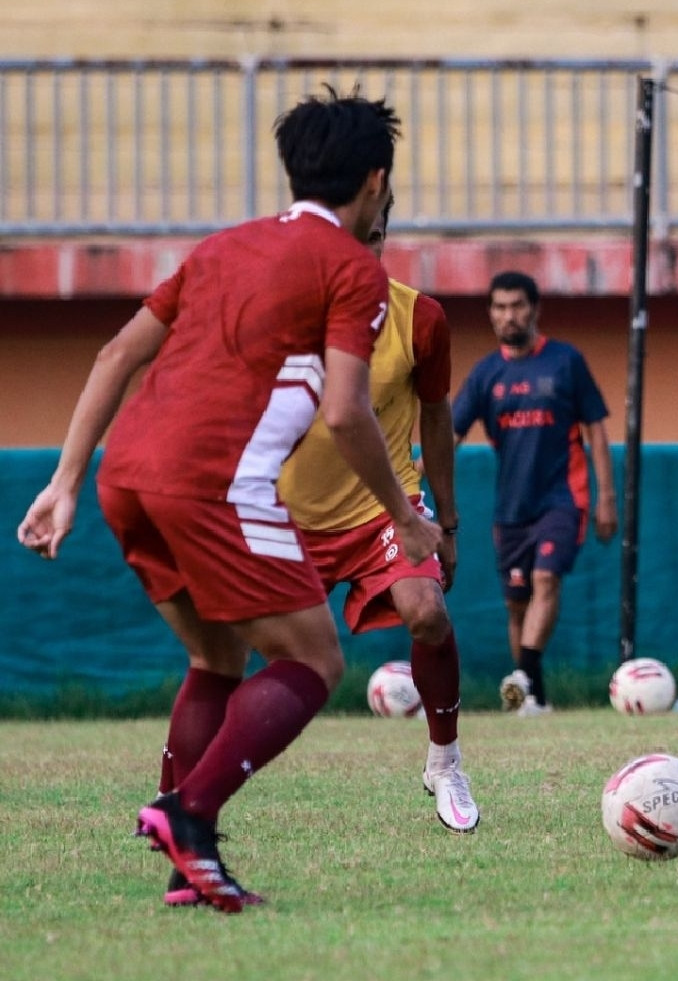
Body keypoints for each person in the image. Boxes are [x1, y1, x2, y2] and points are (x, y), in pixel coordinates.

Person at [16, 88, 443, 913]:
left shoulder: (221, 246)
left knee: (216, 660)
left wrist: (65, 482)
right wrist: (403, 513)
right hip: (213, 483)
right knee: (314, 660)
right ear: (376, 181)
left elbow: (115, 353)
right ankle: (190, 811)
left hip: (126, 474)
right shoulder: (352, 268)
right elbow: (348, 411)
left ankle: (187, 867)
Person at [275, 197, 479, 835]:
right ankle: (185, 793)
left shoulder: (420, 318)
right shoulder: (279, 316)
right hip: (289, 516)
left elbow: (438, 417)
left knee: (427, 612)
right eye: (350, 243)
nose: (364, 256)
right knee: (235, 648)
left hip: (384, 512)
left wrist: (446, 521)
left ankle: (445, 762)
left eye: (377, 239)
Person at [452, 271, 618, 716]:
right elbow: (448, 434)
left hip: (564, 498)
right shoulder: (486, 374)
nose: (510, 315)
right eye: (501, 307)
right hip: (511, 508)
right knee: (516, 601)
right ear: (491, 314)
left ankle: (522, 677)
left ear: (535, 309)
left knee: (547, 578)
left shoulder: (565, 361)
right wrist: (408, 478)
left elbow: (596, 430)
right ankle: (535, 697)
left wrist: (607, 498)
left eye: (518, 306)